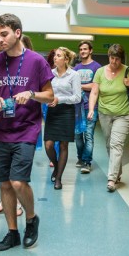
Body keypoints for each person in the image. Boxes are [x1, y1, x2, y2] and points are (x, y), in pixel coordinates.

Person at [0, 13, 54, 251]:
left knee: (18, 181)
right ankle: (12, 232)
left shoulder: (36, 61)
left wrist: (31, 94)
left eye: (4, 34)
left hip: (26, 129)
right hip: (1, 130)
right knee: (4, 184)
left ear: (17, 33)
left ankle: (31, 219)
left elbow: (50, 95)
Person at [87, 44, 129, 192]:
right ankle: (117, 172)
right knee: (109, 145)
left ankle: (111, 178)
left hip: (123, 115)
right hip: (105, 113)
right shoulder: (100, 72)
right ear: (109, 57)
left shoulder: (128, 71)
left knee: (116, 144)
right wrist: (92, 109)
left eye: (117, 59)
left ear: (121, 59)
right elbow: (94, 92)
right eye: (112, 58)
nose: (114, 62)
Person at [44, 47, 81, 190]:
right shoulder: (49, 74)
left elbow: (77, 98)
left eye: (58, 56)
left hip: (66, 112)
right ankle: (56, 166)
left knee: (63, 145)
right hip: (52, 111)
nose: (55, 57)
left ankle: (58, 177)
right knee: (49, 144)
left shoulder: (74, 75)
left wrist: (60, 99)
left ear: (66, 60)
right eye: (55, 55)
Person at [73, 40, 102, 174]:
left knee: (88, 135)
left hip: (91, 106)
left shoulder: (97, 67)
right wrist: (87, 86)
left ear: (90, 50)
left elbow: (96, 86)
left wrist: (81, 86)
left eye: (85, 49)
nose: (83, 51)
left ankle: (87, 162)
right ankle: (80, 157)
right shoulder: (76, 68)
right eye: (81, 49)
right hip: (77, 107)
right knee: (78, 135)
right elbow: (71, 85)